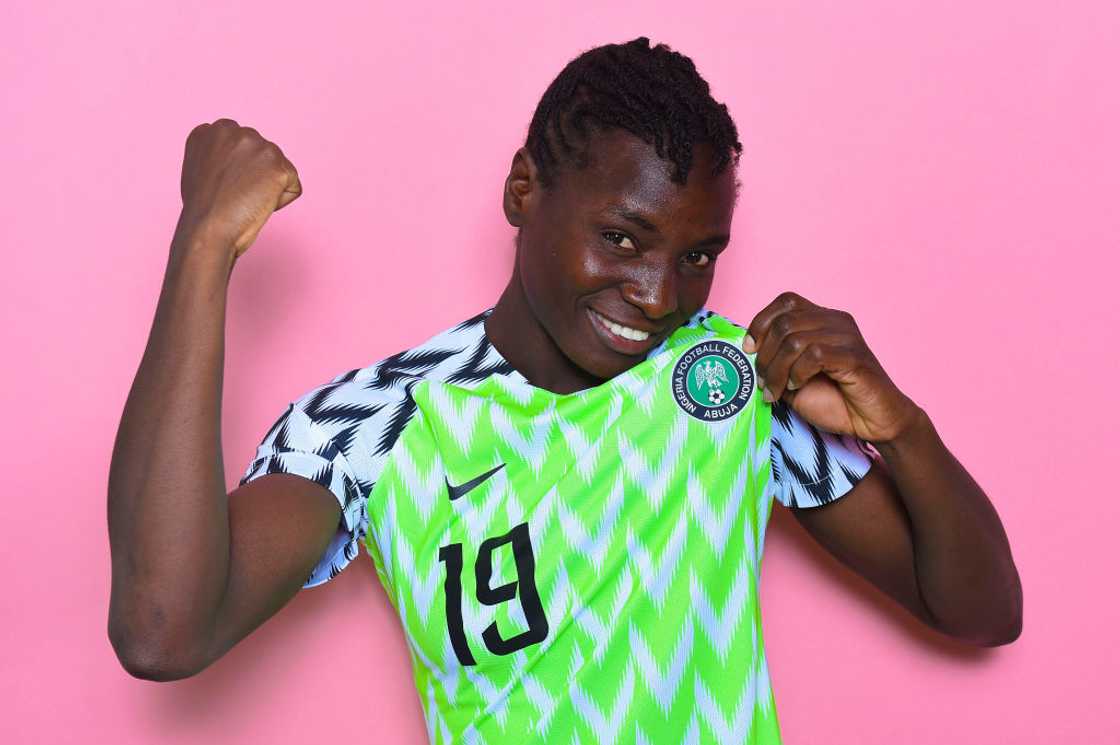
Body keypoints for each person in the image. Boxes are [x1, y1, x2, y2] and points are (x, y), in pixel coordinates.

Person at [107, 37, 1021, 744]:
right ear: (522, 189)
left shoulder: (733, 380)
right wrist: (204, 249)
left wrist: (901, 427)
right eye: (623, 238)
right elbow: (161, 632)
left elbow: (982, 610)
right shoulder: (381, 422)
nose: (660, 295)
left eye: (698, 256)